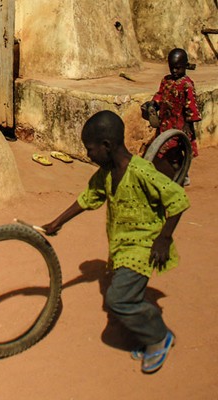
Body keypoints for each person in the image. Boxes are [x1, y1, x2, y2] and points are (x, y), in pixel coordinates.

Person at [42, 111, 190, 374]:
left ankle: (158, 336)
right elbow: (88, 198)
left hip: (144, 246)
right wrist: (57, 222)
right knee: (124, 293)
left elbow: (177, 199)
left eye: (90, 149)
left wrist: (164, 238)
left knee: (118, 300)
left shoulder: (142, 172)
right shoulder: (107, 173)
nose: (88, 155)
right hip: (121, 248)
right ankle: (148, 326)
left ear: (107, 146)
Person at [143, 48, 201, 185]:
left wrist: (188, 124)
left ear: (185, 66)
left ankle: (180, 177)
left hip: (179, 124)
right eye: (172, 68)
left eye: (178, 68)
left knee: (174, 152)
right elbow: (160, 95)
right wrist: (153, 104)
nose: (174, 71)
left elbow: (191, 105)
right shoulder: (166, 81)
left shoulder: (187, 85)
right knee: (169, 152)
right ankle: (180, 174)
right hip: (165, 122)